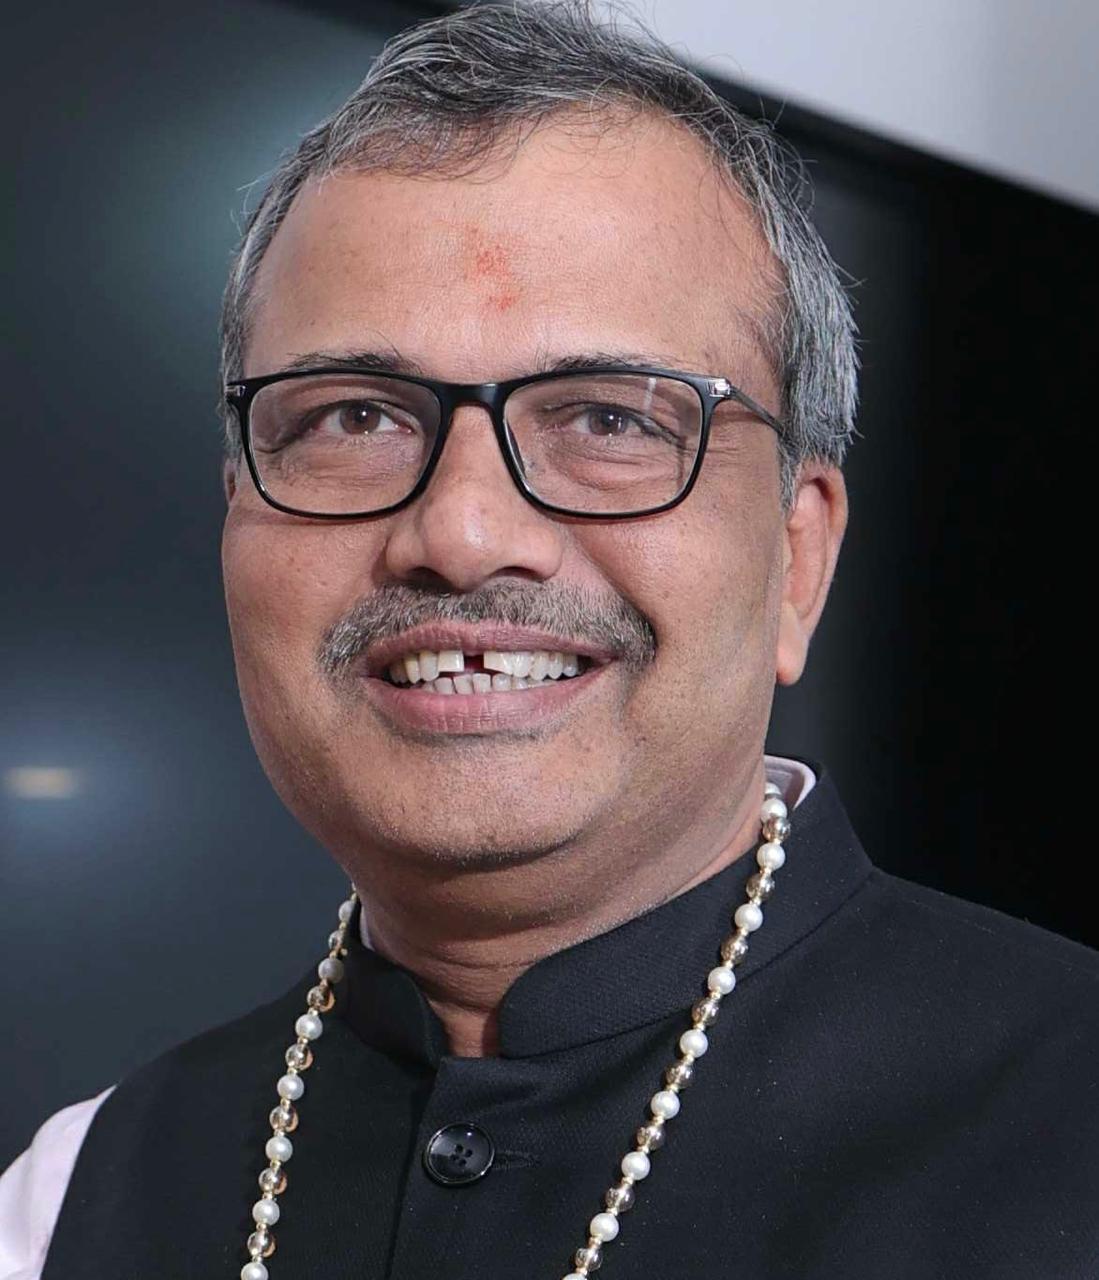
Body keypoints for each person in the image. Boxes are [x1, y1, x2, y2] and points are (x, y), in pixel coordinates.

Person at [2, 4, 1096, 1278]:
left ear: (797, 558)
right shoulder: (69, 1195)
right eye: (355, 416)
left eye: (608, 418)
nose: (463, 532)